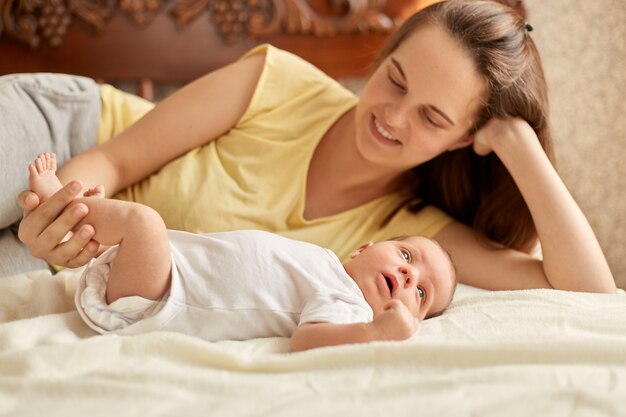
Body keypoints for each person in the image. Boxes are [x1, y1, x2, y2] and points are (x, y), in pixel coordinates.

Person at [7, 1, 616, 295]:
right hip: (69, 138)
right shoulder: (280, 80)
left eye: (431, 116)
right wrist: (63, 207)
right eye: (395, 79)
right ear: (382, 57)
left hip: (76, 267)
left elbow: (591, 296)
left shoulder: (417, 241)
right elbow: (116, 159)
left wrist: (519, 143)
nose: (392, 116)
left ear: (464, 137)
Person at [28, 152, 457, 351]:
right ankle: (67, 210)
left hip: (164, 297)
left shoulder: (350, 308)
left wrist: (375, 334)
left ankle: (61, 204)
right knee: (137, 229)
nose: (408, 278)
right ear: (363, 248)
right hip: (172, 268)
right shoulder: (327, 265)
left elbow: (309, 341)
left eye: (421, 294)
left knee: (143, 224)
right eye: (406, 256)